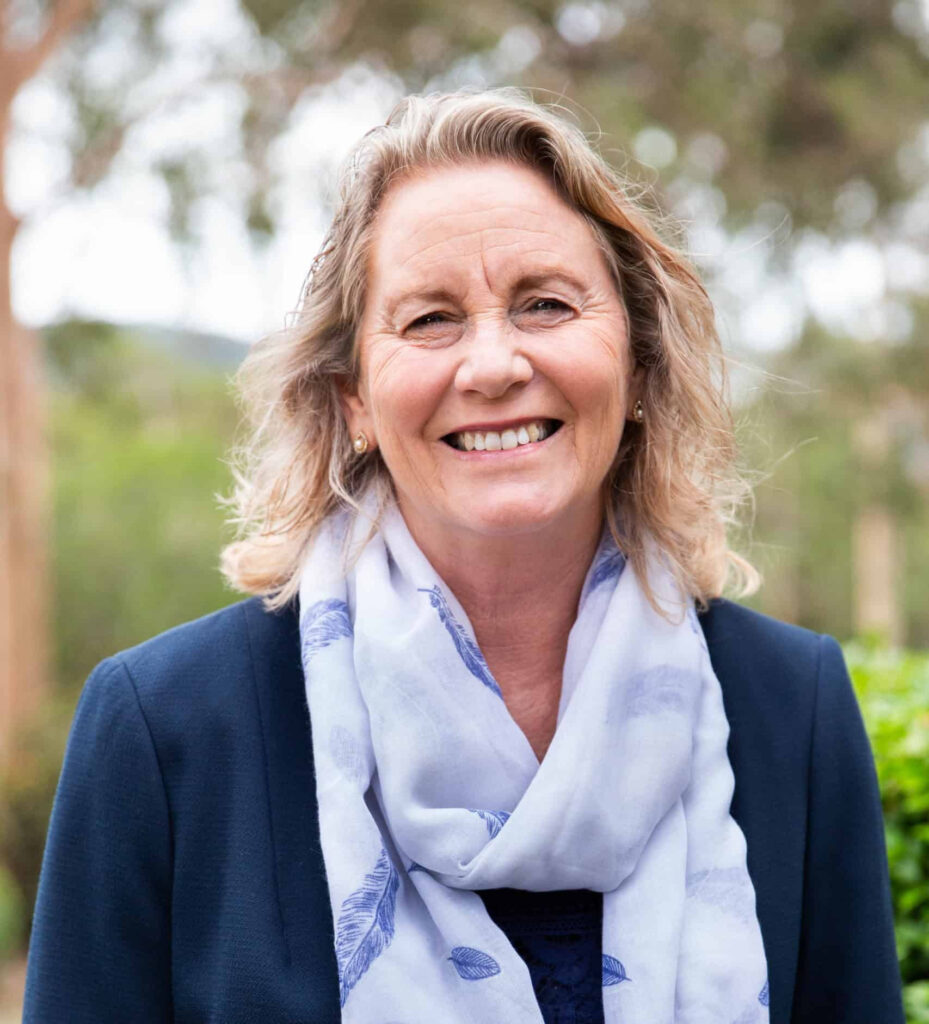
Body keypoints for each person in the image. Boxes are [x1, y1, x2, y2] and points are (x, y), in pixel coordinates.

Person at [24, 89, 903, 1024]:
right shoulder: (166, 730)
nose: (491, 366)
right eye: (429, 319)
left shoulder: (792, 709)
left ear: (639, 363)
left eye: (545, 304)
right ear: (354, 397)